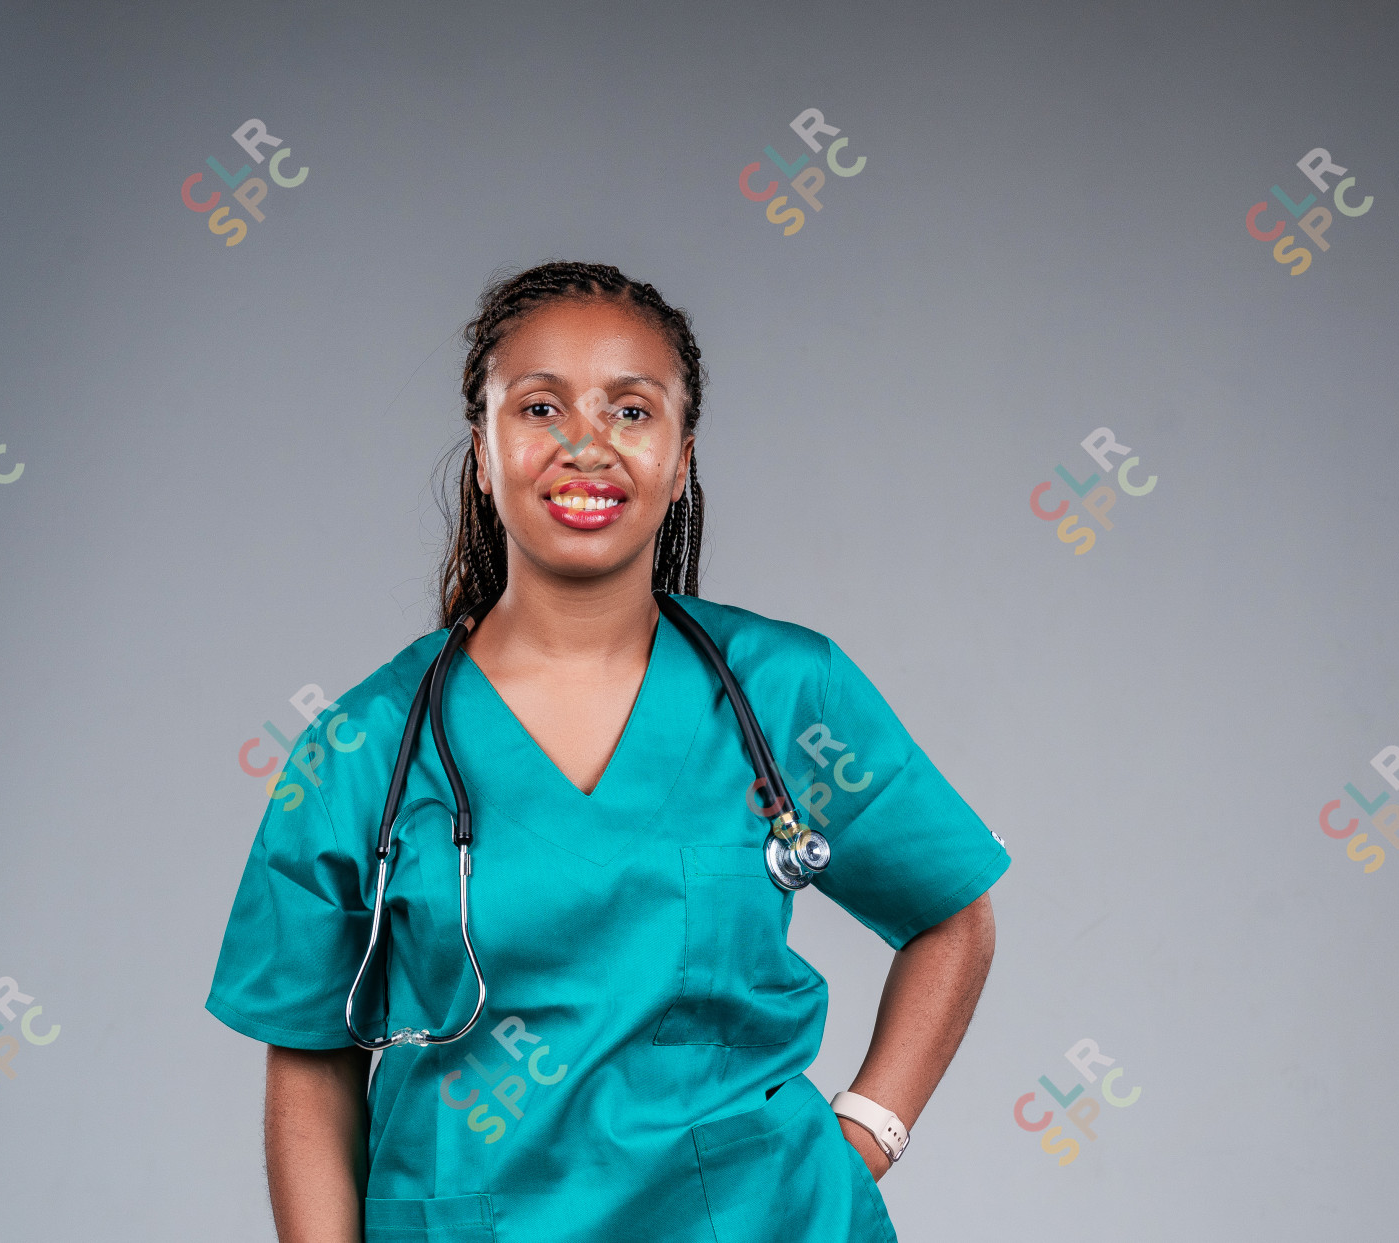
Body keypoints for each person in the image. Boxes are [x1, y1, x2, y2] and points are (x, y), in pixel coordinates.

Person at [206, 261, 1007, 1243]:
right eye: (540, 408)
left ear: (681, 457)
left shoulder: (787, 691)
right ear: (483, 449)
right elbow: (310, 1058)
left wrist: (865, 1135)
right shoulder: (363, 747)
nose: (586, 445)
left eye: (632, 411)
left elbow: (952, 914)